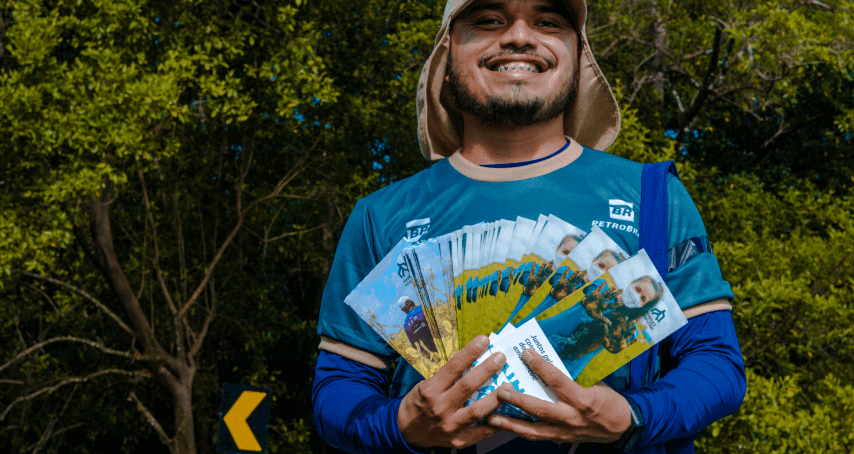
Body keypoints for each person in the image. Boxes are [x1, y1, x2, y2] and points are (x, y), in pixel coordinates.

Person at [313, 0, 745, 453]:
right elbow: (338, 391)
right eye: (488, 20)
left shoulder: (653, 197)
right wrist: (402, 423)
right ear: (447, 52)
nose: (519, 35)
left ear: (579, 56)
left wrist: (632, 416)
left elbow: (716, 365)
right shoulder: (382, 216)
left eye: (547, 21)